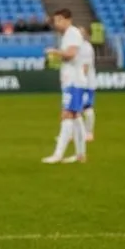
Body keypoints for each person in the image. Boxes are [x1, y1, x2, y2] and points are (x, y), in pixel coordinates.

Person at [42, 9, 88, 164]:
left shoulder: (72, 33)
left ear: (65, 19)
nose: (56, 24)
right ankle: (81, 155)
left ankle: (58, 154)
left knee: (67, 115)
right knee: (75, 116)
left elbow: (71, 54)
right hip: (73, 80)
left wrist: (54, 52)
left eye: (57, 20)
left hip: (74, 81)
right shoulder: (68, 34)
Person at [79, 27, 97, 142]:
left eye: (81, 33)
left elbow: (85, 67)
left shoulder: (86, 47)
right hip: (81, 83)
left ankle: (89, 133)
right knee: (75, 109)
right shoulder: (78, 47)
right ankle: (76, 133)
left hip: (86, 83)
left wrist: (79, 80)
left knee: (87, 109)